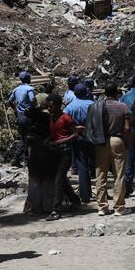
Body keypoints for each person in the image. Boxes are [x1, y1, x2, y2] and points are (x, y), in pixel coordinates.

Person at [94, 83, 131, 216]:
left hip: (101, 141)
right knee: (119, 175)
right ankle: (119, 207)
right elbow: (127, 128)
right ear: (116, 92)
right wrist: (127, 142)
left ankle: (102, 207)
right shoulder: (122, 107)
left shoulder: (99, 106)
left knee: (100, 175)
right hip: (117, 140)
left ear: (105, 92)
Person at [46, 93, 81, 221]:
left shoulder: (66, 118)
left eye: (51, 106)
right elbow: (56, 134)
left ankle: (56, 209)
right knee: (60, 179)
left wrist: (59, 142)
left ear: (58, 105)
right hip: (55, 152)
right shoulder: (52, 118)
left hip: (65, 152)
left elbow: (75, 134)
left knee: (58, 180)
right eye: (48, 106)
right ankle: (75, 200)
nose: (49, 109)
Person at [64, 83, 95, 203]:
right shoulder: (93, 105)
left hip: (77, 138)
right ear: (86, 93)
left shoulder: (69, 107)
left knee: (82, 166)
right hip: (93, 137)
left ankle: (85, 195)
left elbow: (64, 122)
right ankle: (102, 192)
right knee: (97, 165)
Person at [9, 71, 37, 164]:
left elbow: (10, 101)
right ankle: (22, 158)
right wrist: (33, 109)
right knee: (30, 138)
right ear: (28, 79)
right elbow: (32, 99)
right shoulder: (29, 89)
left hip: (20, 116)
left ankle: (23, 158)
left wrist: (15, 109)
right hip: (28, 116)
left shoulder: (16, 90)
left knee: (23, 137)